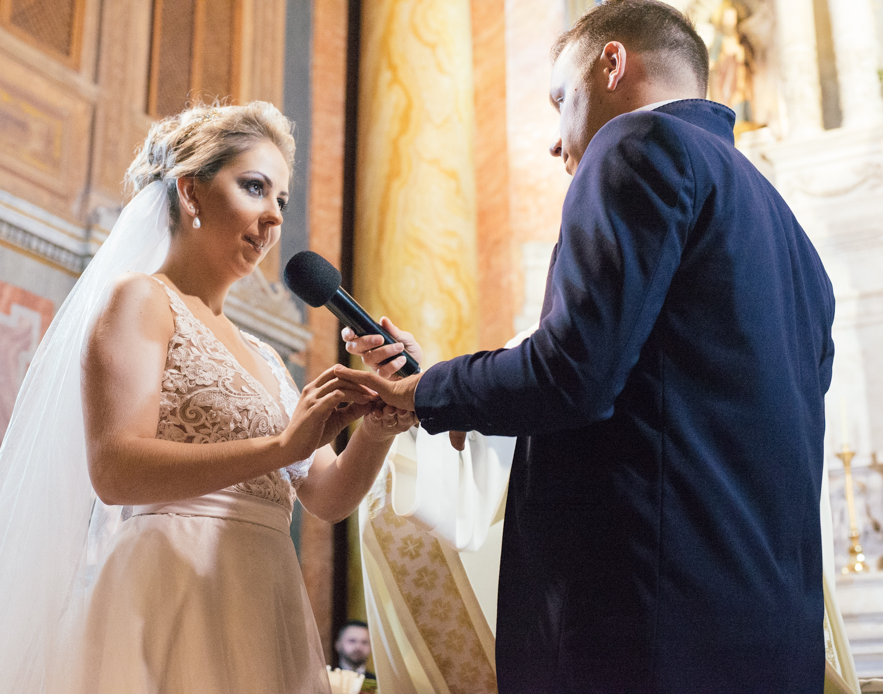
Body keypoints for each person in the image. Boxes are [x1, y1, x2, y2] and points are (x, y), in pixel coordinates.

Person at [339, 1, 835, 691]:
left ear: (612, 64)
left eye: (560, 98)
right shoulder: (789, 234)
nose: (555, 139)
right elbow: (676, 415)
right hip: (767, 638)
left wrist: (428, 392)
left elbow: (574, 373)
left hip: (646, 630)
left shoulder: (638, 144)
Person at [0, 102, 415, 694]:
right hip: (170, 589)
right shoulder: (142, 301)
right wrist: (280, 445)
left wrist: (379, 424)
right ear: (191, 193)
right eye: (254, 187)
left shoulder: (268, 357)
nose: (274, 217)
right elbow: (116, 469)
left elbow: (327, 497)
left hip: (264, 597)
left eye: (282, 200)